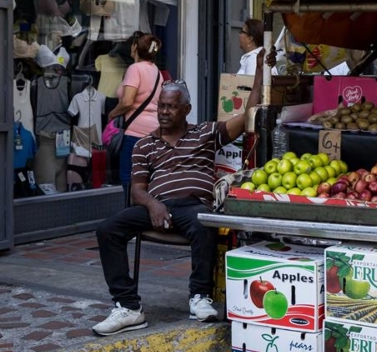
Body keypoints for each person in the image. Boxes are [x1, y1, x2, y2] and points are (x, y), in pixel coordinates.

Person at [92, 47, 276, 336]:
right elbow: (137, 190)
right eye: (161, 106)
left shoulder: (205, 133)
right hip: (156, 206)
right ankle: (128, 306)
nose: (164, 112)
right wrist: (154, 205)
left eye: (171, 106)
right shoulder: (144, 145)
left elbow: (249, 115)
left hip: (193, 207)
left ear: (186, 110)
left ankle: (199, 296)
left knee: (206, 221)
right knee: (107, 229)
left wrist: (259, 74)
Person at [107, 31, 162, 192]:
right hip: (153, 133)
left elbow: (127, 101)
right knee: (146, 179)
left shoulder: (135, 68)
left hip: (134, 134)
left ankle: (131, 213)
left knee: (129, 178)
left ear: (135, 48)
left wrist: (113, 113)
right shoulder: (156, 71)